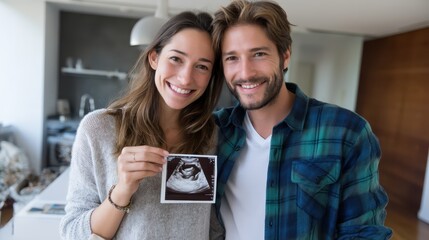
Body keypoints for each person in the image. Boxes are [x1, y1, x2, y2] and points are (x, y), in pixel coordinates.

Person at [210, 0, 393, 239]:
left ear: (285, 56)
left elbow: (364, 232)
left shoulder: (346, 132)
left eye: (259, 54)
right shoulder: (213, 131)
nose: (245, 72)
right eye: (232, 58)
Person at [60, 11, 223, 240]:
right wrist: (123, 189)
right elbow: (73, 232)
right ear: (154, 58)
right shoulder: (98, 130)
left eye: (202, 66)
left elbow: (214, 227)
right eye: (176, 59)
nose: (186, 78)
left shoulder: (213, 136)